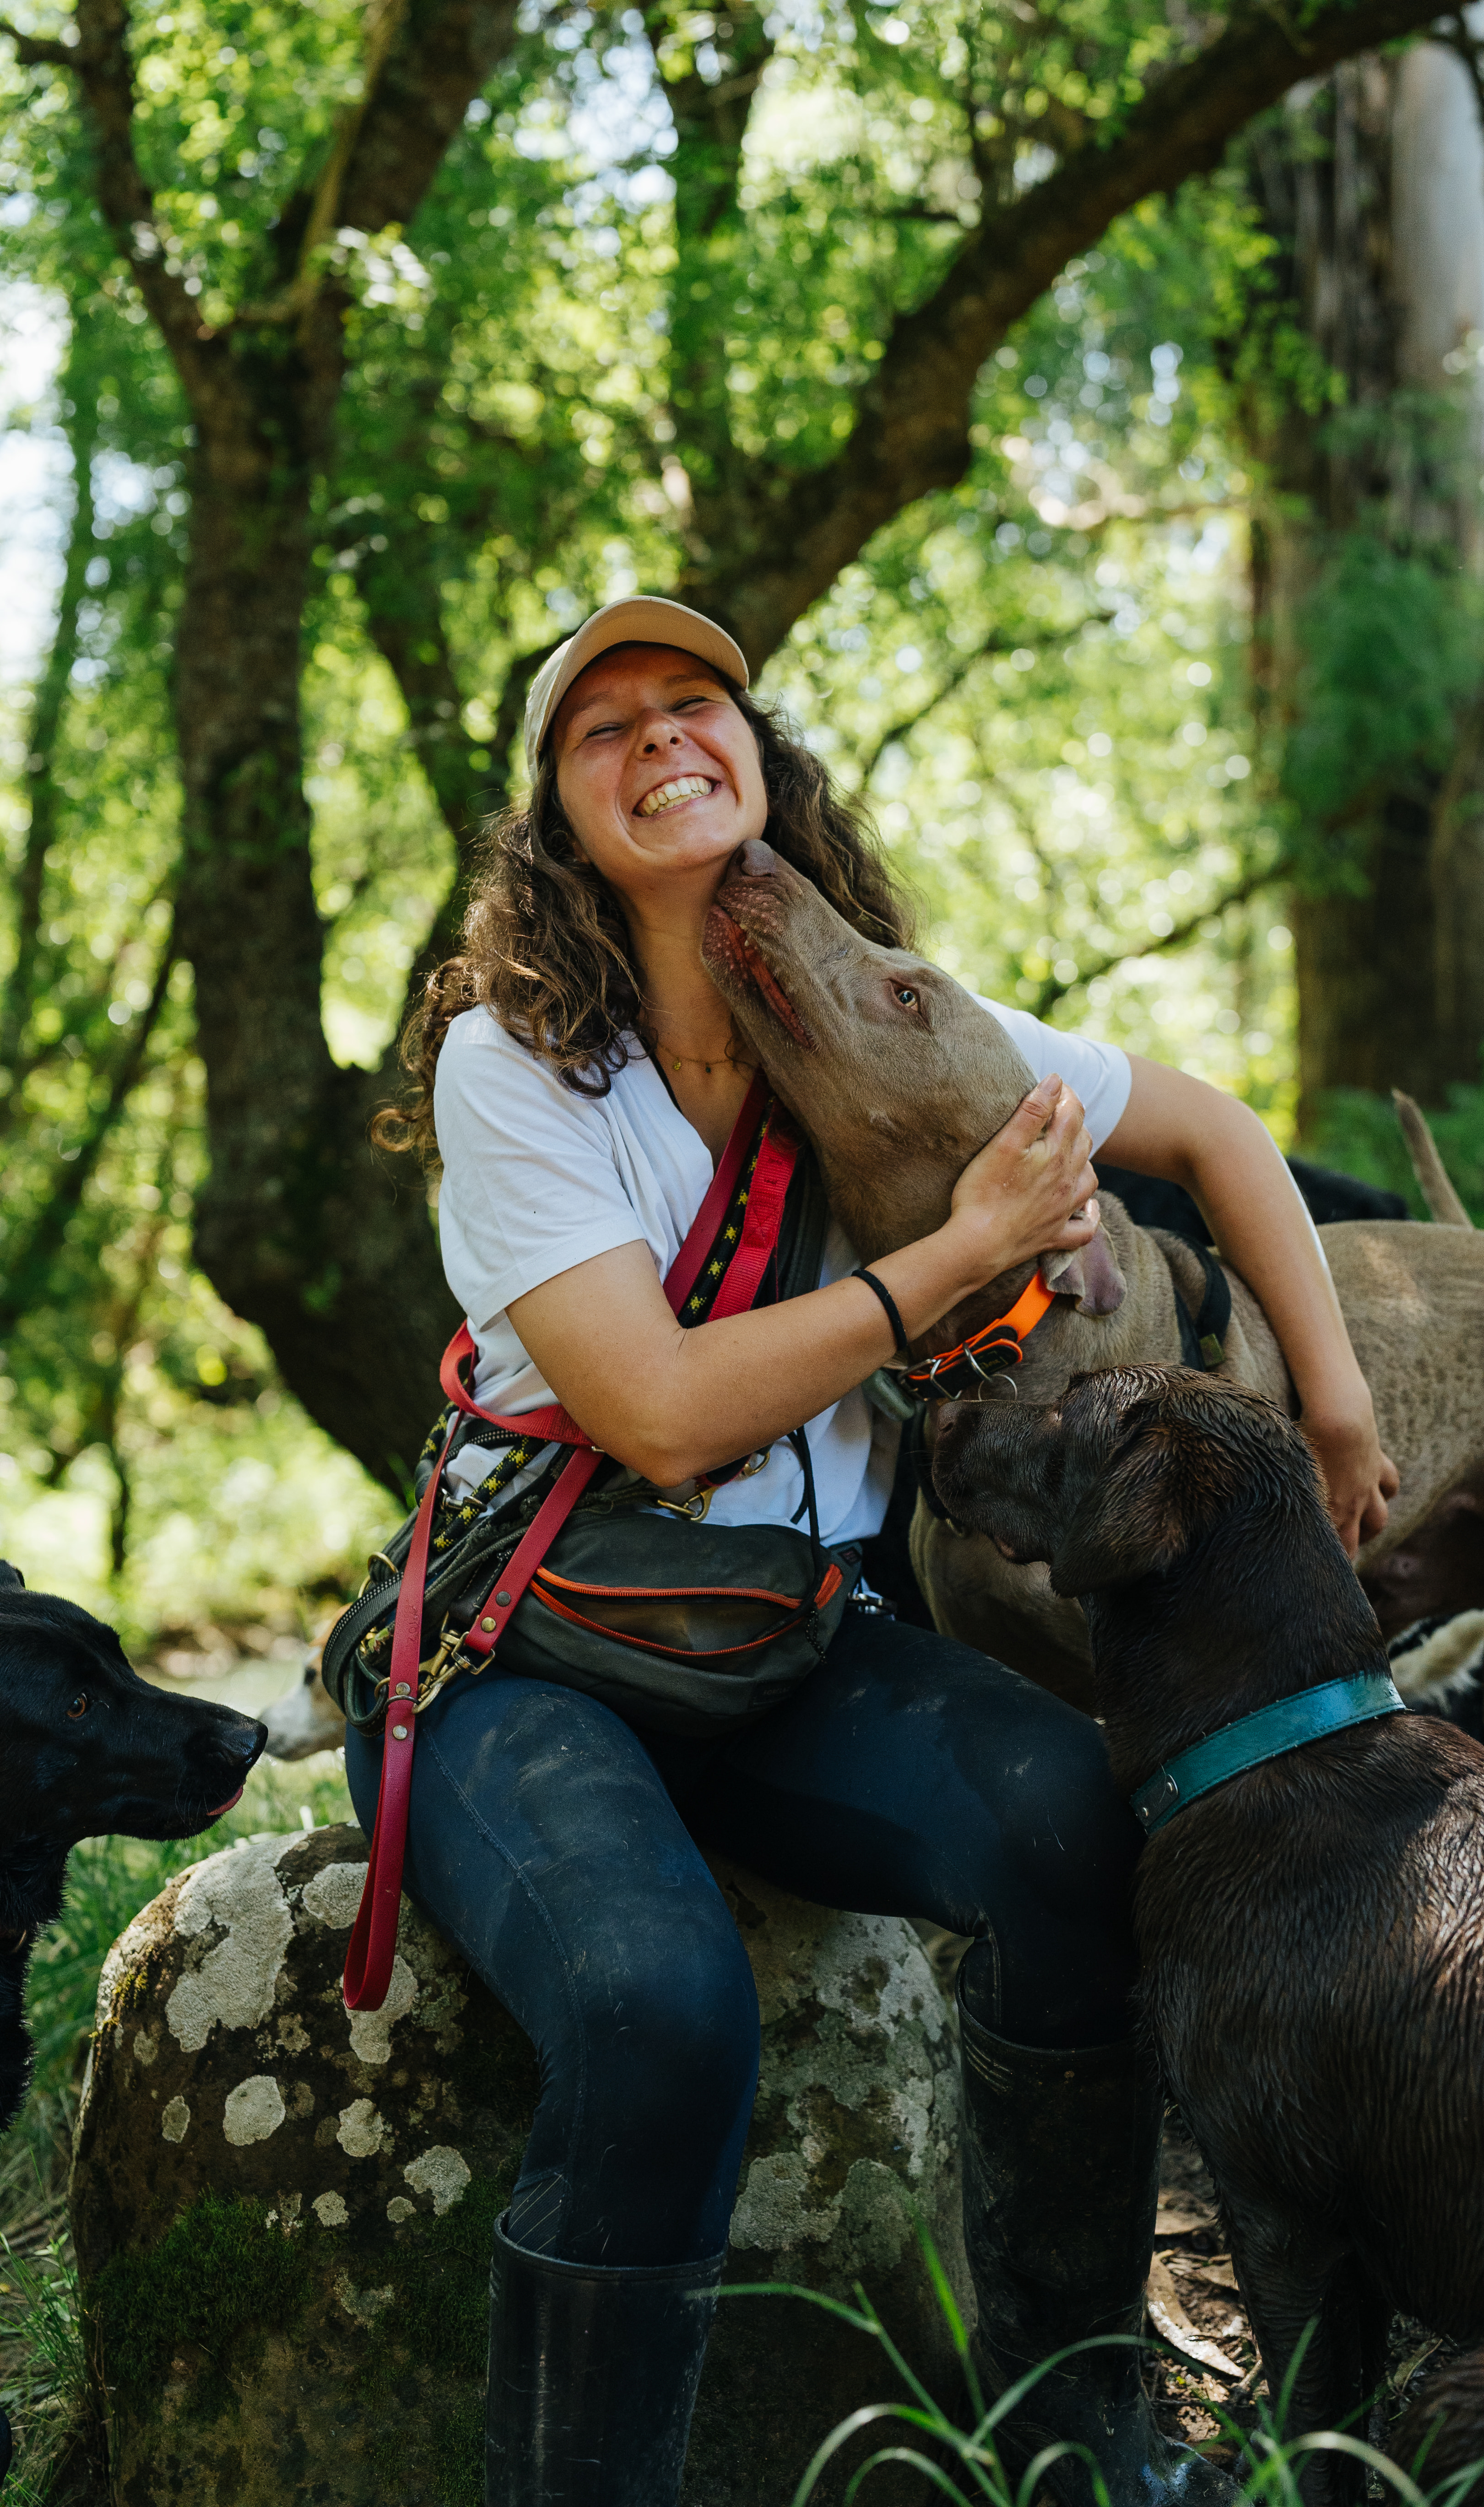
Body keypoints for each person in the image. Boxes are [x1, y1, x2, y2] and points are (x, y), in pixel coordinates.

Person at [365, 596, 1399, 2506]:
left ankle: (1069, 2432)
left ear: (761, 762)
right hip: (530, 1654)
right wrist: (958, 1247)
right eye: (606, 728)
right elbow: (663, 1409)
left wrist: (1332, 1404)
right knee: (655, 2000)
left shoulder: (882, 1020)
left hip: (795, 1637)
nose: (663, 737)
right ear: (556, 817)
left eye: (697, 704)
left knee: (1077, 1829)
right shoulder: (512, 1071)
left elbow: (1211, 1126)